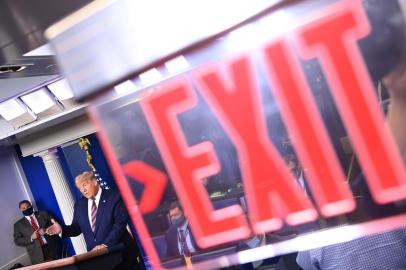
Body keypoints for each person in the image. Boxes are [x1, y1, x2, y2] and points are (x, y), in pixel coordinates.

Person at [46, 171, 139, 270]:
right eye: (80, 188)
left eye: (85, 185)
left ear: (95, 182)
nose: (83, 190)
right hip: (97, 260)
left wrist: (104, 246)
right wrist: (61, 230)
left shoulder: (114, 197)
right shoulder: (79, 205)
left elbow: (119, 225)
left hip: (121, 255)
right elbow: (76, 228)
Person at [13, 200, 61, 265]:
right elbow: (17, 241)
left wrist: (46, 229)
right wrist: (31, 238)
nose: (26, 209)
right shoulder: (18, 225)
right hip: (37, 254)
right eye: (23, 208)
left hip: (52, 247)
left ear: (31, 206)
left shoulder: (43, 213)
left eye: (28, 206)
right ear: (20, 210)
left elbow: (55, 224)